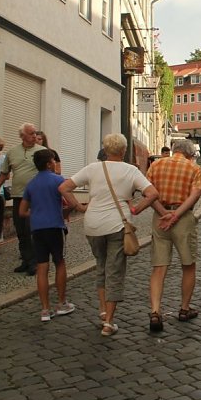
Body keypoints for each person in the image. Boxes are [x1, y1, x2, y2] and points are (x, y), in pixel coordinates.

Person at [59, 133, 159, 337]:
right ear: (123, 151)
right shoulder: (130, 170)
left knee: (101, 267)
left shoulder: (93, 168)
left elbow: (64, 187)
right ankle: (109, 322)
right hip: (117, 225)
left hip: (93, 225)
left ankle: (103, 310)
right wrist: (137, 209)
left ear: (105, 150)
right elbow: (152, 194)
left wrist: (78, 206)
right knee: (115, 271)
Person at [145, 139, 201, 333]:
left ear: (173, 151)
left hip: (160, 219)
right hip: (183, 219)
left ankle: (155, 311)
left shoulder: (156, 165)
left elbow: (149, 194)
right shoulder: (193, 169)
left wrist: (164, 213)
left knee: (159, 267)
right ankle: (184, 309)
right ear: (188, 154)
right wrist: (176, 215)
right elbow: (195, 195)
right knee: (188, 265)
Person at [20, 149, 77, 322]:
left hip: (37, 228)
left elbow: (22, 211)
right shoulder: (58, 180)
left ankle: (45, 309)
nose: (55, 163)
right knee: (59, 262)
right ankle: (61, 303)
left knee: (42, 267)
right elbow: (72, 202)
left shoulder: (31, 184)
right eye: (53, 161)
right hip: (54, 226)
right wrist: (65, 211)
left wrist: (36, 213)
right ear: (48, 164)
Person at [0, 123, 46, 275]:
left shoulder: (42, 152)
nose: (34, 136)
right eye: (31, 133)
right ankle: (25, 259)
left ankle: (34, 262)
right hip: (18, 196)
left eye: (35, 133)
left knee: (32, 229)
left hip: (36, 197)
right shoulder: (12, 152)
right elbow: (5, 172)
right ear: (22, 136)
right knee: (21, 230)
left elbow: (50, 171)